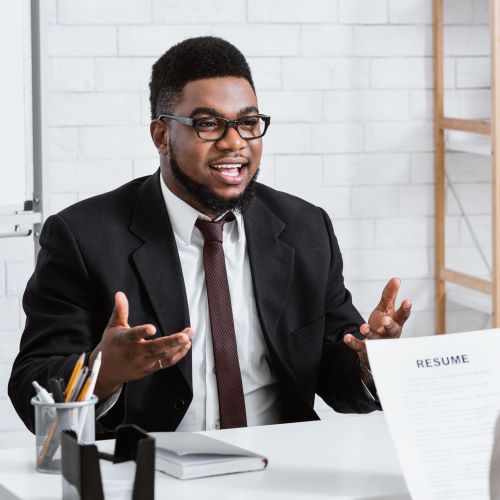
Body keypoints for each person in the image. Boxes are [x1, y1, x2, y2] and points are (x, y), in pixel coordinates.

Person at [9, 36, 411, 437]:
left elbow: (334, 373)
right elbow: (32, 385)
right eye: (209, 124)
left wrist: (370, 361)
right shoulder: (83, 237)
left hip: (281, 468)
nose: (235, 142)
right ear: (162, 136)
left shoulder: (306, 228)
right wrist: (103, 372)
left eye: (248, 123)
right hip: (154, 470)